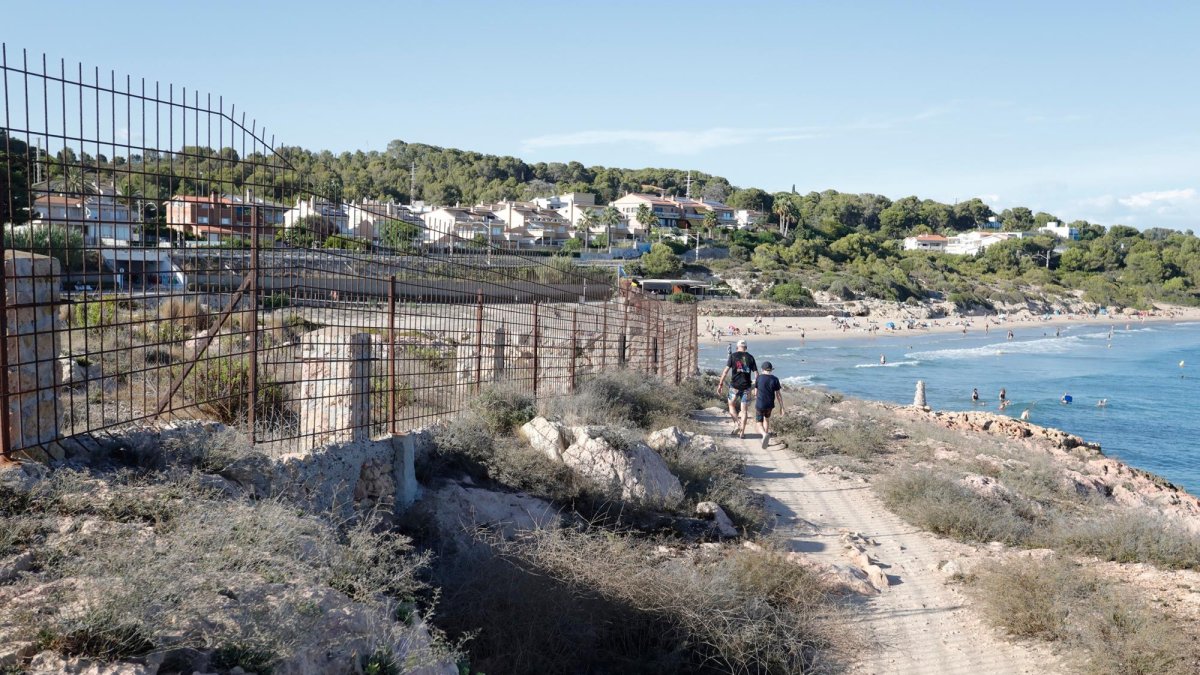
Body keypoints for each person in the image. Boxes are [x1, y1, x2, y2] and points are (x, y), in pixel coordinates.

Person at [717, 339, 758, 438]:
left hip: (734, 387)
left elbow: (725, 371)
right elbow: (756, 374)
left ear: (737, 347)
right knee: (744, 411)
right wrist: (756, 387)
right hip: (746, 388)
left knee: (731, 405)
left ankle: (737, 423)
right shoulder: (750, 357)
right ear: (746, 347)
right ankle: (742, 433)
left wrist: (720, 384)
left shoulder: (733, 356)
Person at [754, 361, 784, 449]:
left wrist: (756, 397)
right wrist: (782, 407)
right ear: (771, 370)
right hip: (770, 405)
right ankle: (765, 440)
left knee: (759, 423)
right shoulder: (775, 379)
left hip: (760, 404)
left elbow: (755, 392)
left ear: (762, 369)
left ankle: (764, 434)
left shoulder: (759, 378)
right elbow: (778, 395)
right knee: (766, 420)